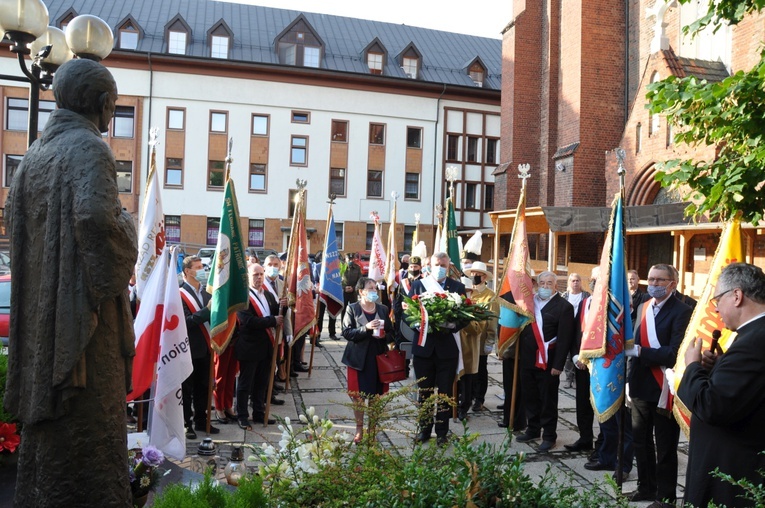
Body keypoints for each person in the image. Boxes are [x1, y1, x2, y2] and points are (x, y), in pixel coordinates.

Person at [5, 58, 137, 507]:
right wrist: (131, 227)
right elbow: (96, 219)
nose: (111, 114)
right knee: (91, 443)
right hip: (84, 327)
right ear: (102, 104)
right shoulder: (89, 147)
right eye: (114, 106)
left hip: (44, 331)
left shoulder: (32, 157)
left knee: (50, 450)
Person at [679, 263, 765, 508]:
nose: (715, 310)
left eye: (718, 299)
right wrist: (718, 366)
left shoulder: (754, 339)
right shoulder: (753, 334)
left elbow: (713, 406)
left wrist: (692, 366)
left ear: (737, 296)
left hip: (734, 476)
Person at [625, 263, 692, 506]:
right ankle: (646, 487)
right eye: (650, 279)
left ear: (672, 284)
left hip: (665, 388)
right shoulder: (642, 307)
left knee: (665, 447)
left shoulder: (682, 311)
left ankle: (666, 497)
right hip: (641, 385)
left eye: (659, 280)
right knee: (640, 441)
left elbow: (674, 353)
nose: (653, 284)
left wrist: (641, 351)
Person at [408, 252, 467, 446]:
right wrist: (418, 324)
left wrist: (452, 325)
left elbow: (465, 316)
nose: (440, 267)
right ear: (428, 265)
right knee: (424, 392)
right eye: (436, 264)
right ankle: (424, 430)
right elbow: (405, 312)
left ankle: (442, 432)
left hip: (447, 350)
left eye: (443, 264)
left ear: (449, 266)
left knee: (444, 394)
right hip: (423, 349)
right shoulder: (418, 285)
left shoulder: (458, 287)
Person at [515, 271, 575, 452]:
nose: (545, 286)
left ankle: (549, 435)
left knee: (548, 400)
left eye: (549, 283)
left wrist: (558, 365)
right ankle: (533, 429)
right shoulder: (529, 303)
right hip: (527, 359)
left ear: (556, 286)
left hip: (549, 362)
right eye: (542, 283)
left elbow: (565, 339)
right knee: (530, 396)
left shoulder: (564, 307)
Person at [341, 277, 394, 443]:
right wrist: (366, 328)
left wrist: (386, 335)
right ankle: (359, 429)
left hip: (378, 358)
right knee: (358, 396)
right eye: (370, 289)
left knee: (375, 396)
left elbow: (393, 333)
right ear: (361, 292)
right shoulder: (353, 309)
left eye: (375, 288)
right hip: (358, 359)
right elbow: (347, 333)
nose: (374, 291)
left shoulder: (383, 309)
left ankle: (372, 428)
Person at [235, 263, 282, 429]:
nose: (259, 277)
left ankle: (259, 413)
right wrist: (272, 321)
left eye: (261, 274)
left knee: (262, 383)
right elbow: (248, 321)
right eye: (255, 275)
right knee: (245, 384)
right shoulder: (243, 297)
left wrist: (284, 305)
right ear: (248, 276)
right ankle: (242, 415)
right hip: (249, 347)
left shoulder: (268, 295)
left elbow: (276, 312)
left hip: (266, 347)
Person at [179, 255, 219, 438]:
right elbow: (186, 322)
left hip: (206, 347)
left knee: (203, 386)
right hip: (188, 348)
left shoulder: (207, 292)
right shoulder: (179, 294)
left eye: (203, 266)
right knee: (187, 389)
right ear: (187, 271)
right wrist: (207, 310)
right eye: (198, 267)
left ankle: (202, 420)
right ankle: (187, 423)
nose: (202, 270)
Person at [562, 272, 593, 452]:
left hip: (601, 367)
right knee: (582, 404)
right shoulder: (584, 304)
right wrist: (575, 357)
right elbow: (574, 334)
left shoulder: (610, 307)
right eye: (594, 281)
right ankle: (585, 438)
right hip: (581, 365)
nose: (596, 284)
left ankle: (604, 445)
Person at [463, 262, 498, 414]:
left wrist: (490, 340)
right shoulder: (466, 292)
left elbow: (493, 320)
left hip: (481, 338)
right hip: (466, 339)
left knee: (480, 370)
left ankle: (479, 399)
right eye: (472, 274)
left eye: (477, 274)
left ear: (484, 277)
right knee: (466, 370)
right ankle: (466, 397)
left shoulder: (491, 296)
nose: (474, 277)